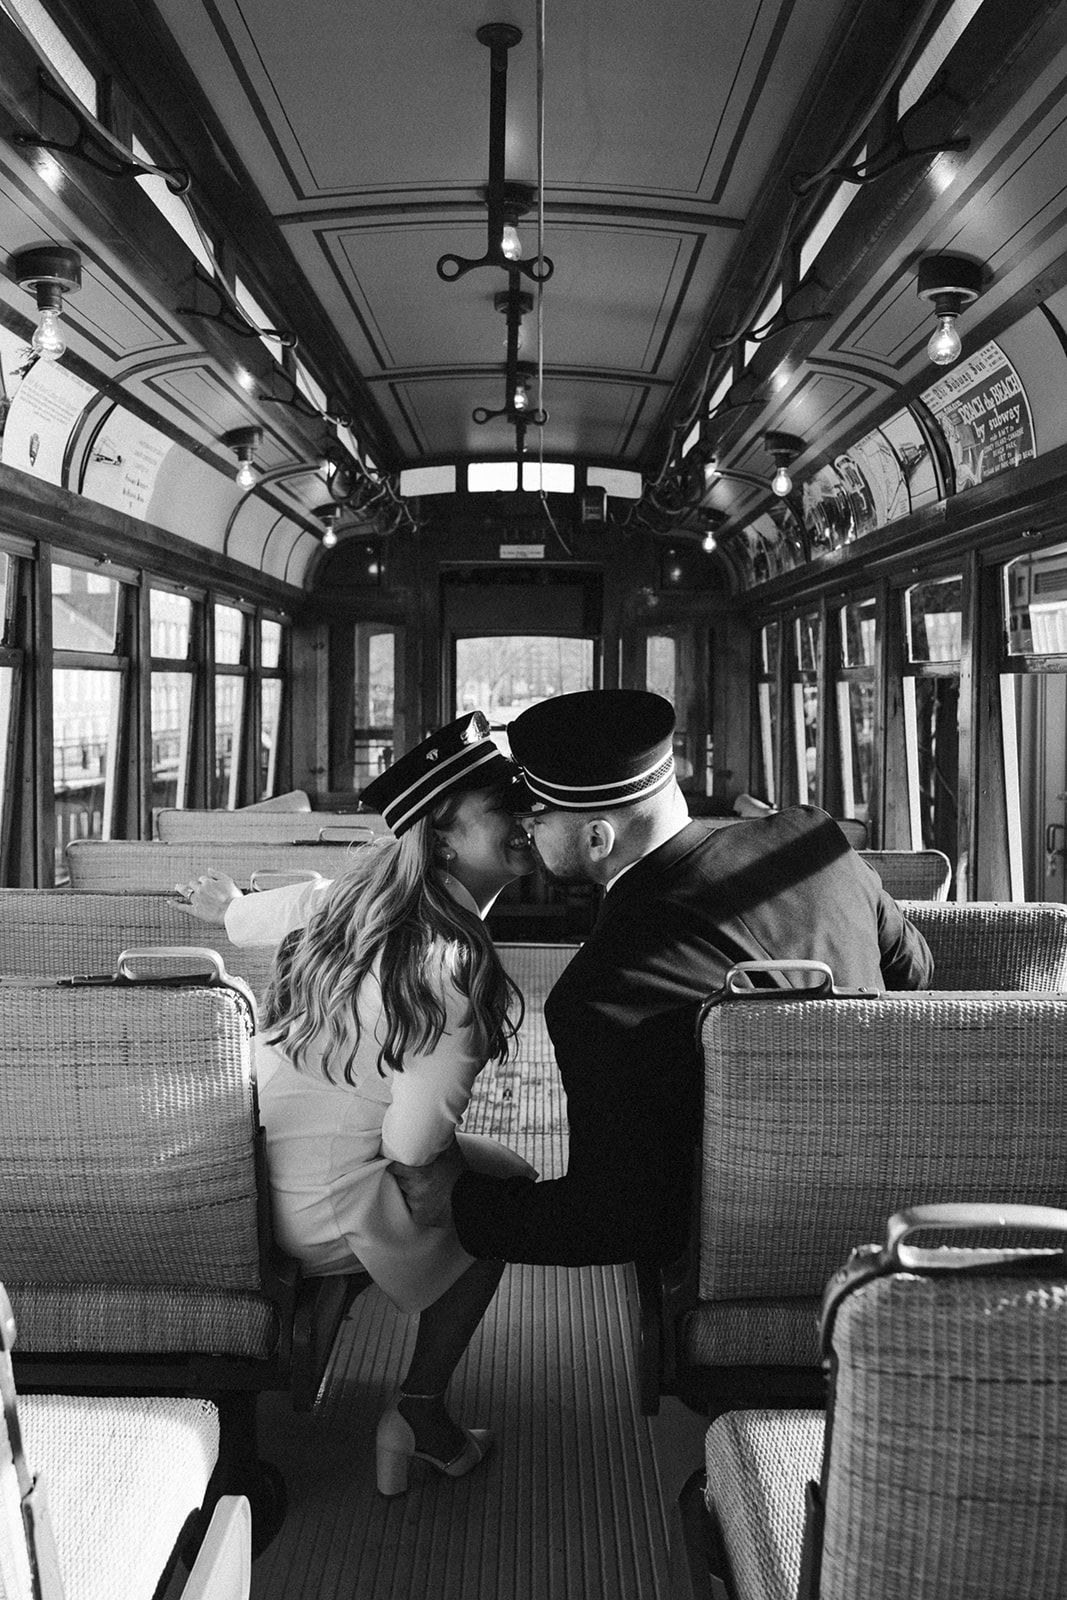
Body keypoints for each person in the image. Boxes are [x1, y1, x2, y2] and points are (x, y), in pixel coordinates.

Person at [394, 690, 934, 1270]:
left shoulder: (603, 993)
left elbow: (618, 1220)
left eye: (537, 816)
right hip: (918, 1210)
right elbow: (914, 970)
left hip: (746, 1243)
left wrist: (457, 1202)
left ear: (597, 838)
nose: (526, 829)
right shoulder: (811, 840)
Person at [175, 712, 536, 1496]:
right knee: (504, 1200)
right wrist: (436, 1184)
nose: (528, 818)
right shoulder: (449, 969)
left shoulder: (354, 902)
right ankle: (419, 1412)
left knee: (491, 1173)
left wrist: (230, 907)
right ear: (441, 837)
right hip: (315, 1207)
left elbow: (280, 909)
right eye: (504, 807)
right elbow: (411, 1150)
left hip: (238, 1169)